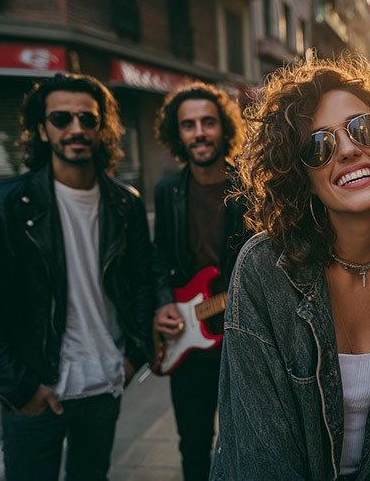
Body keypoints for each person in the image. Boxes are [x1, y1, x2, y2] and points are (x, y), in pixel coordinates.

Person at [211, 55, 370, 480]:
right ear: (302, 177)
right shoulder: (263, 269)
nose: (349, 149)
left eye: (363, 129)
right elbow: (261, 455)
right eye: (319, 146)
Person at [0, 72, 155, 480]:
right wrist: (18, 388)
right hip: (37, 390)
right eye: (61, 118)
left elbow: (142, 285)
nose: (76, 128)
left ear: (101, 128)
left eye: (87, 118)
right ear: (42, 130)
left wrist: (134, 356)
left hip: (104, 385)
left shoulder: (124, 204)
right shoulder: (0, 205)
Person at [152, 82, 246, 480]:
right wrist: (162, 302)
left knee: (244, 446)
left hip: (241, 345)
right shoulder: (167, 191)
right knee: (192, 448)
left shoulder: (250, 188)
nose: (200, 133)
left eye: (208, 122)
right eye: (188, 125)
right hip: (190, 346)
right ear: (178, 134)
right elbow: (158, 258)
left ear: (224, 128)